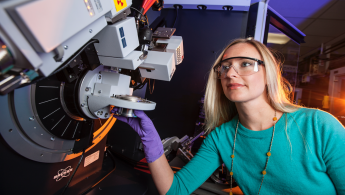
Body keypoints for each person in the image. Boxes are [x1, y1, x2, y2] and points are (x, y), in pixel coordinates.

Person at [114, 38, 345, 195]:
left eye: (245, 64)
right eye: (225, 67)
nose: (231, 73)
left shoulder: (319, 125)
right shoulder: (222, 137)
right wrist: (151, 140)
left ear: (269, 74)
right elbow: (176, 190)